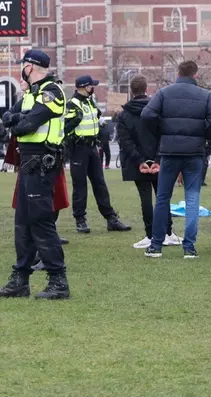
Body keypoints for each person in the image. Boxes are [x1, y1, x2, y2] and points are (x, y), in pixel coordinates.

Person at [0, 50, 69, 299]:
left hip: (43, 162)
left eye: (23, 66)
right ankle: (21, 278)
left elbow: (25, 125)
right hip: (29, 162)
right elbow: (8, 116)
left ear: (29, 67)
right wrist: (18, 119)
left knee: (41, 221)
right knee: (22, 222)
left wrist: (17, 121)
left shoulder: (52, 92)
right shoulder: (31, 94)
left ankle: (58, 280)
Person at [141, 60, 211, 259]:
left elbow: (147, 115)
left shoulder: (164, 93)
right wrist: (204, 134)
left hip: (169, 153)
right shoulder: (205, 95)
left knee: (162, 198)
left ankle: (156, 245)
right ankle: (189, 247)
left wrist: (162, 131)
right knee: (192, 199)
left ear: (178, 74)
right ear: (195, 75)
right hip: (194, 153)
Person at [116, 75, 182, 249]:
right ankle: (168, 232)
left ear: (132, 91)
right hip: (159, 160)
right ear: (147, 89)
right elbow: (164, 135)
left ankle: (150, 234)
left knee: (145, 198)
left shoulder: (124, 115)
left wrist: (140, 161)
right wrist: (158, 159)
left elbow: (125, 141)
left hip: (138, 162)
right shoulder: (157, 111)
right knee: (163, 197)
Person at [65, 75, 131, 234]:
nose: (93, 87)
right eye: (91, 85)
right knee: (80, 186)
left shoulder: (89, 101)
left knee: (100, 184)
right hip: (79, 148)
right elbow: (66, 128)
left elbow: (96, 119)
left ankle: (111, 219)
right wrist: (76, 120)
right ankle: (80, 220)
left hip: (92, 148)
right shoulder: (72, 104)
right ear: (84, 86)